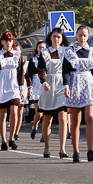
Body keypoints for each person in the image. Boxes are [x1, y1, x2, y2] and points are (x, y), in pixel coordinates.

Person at [63, 25, 93, 163]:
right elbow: (66, 71)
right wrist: (66, 86)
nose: (82, 38)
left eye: (85, 35)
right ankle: (76, 151)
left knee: (90, 118)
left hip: (89, 84)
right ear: (76, 35)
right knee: (75, 120)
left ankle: (90, 150)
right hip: (75, 83)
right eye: (80, 35)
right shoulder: (69, 52)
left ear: (88, 37)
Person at [36, 29, 70, 158]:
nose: (56, 39)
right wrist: (44, 82)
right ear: (50, 38)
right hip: (48, 85)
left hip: (62, 84)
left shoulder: (66, 51)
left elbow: (69, 69)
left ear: (62, 39)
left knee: (63, 117)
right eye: (54, 36)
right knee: (47, 118)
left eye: (59, 37)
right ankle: (46, 147)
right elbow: (41, 69)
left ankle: (62, 149)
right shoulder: (44, 52)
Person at [0, 32, 26, 151]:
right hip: (2, 85)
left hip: (14, 85)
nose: (8, 43)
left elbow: (21, 72)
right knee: (3, 113)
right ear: (2, 42)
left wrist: (22, 89)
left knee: (14, 112)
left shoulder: (17, 54)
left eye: (10, 40)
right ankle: (3, 141)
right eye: (6, 40)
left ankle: (11, 138)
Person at [26, 41, 46, 140]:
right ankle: (35, 126)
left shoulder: (48, 59)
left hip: (46, 84)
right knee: (39, 112)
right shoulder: (32, 60)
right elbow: (29, 75)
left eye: (43, 48)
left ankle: (44, 134)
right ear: (37, 49)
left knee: (46, 113)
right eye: (40, 47)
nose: (41, 49)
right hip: (36, 86)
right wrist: (30, 87)